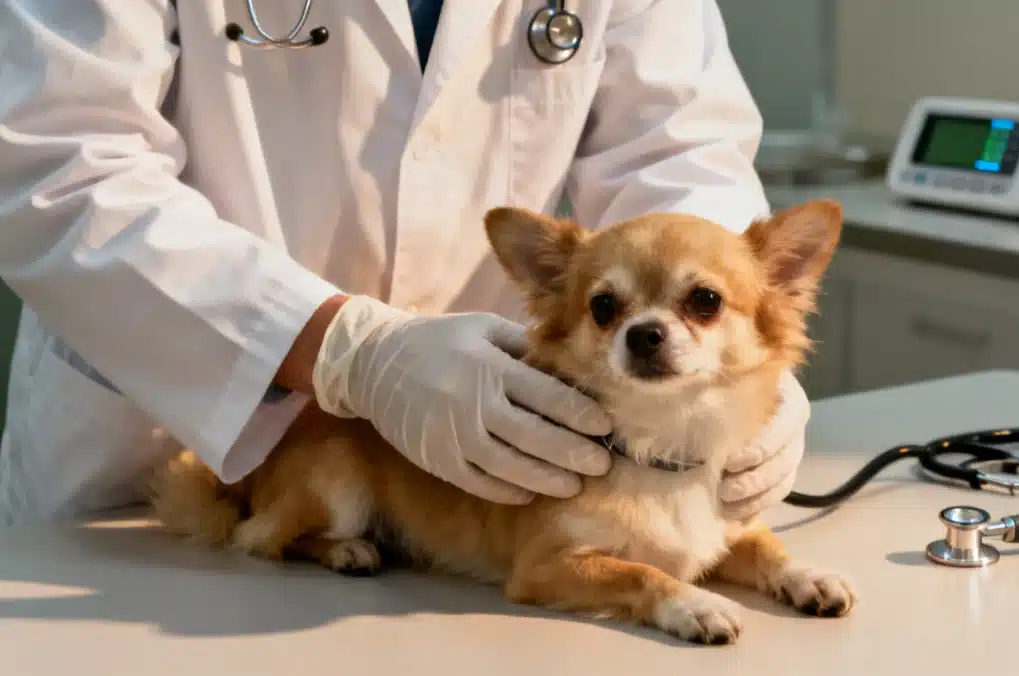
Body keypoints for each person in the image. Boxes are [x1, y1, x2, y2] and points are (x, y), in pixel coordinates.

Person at [0, 0, 811, 526]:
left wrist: (734, 357)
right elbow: (56, 165)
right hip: (156, 457)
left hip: (491, 473)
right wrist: (351, 350)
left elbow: (675, 149)